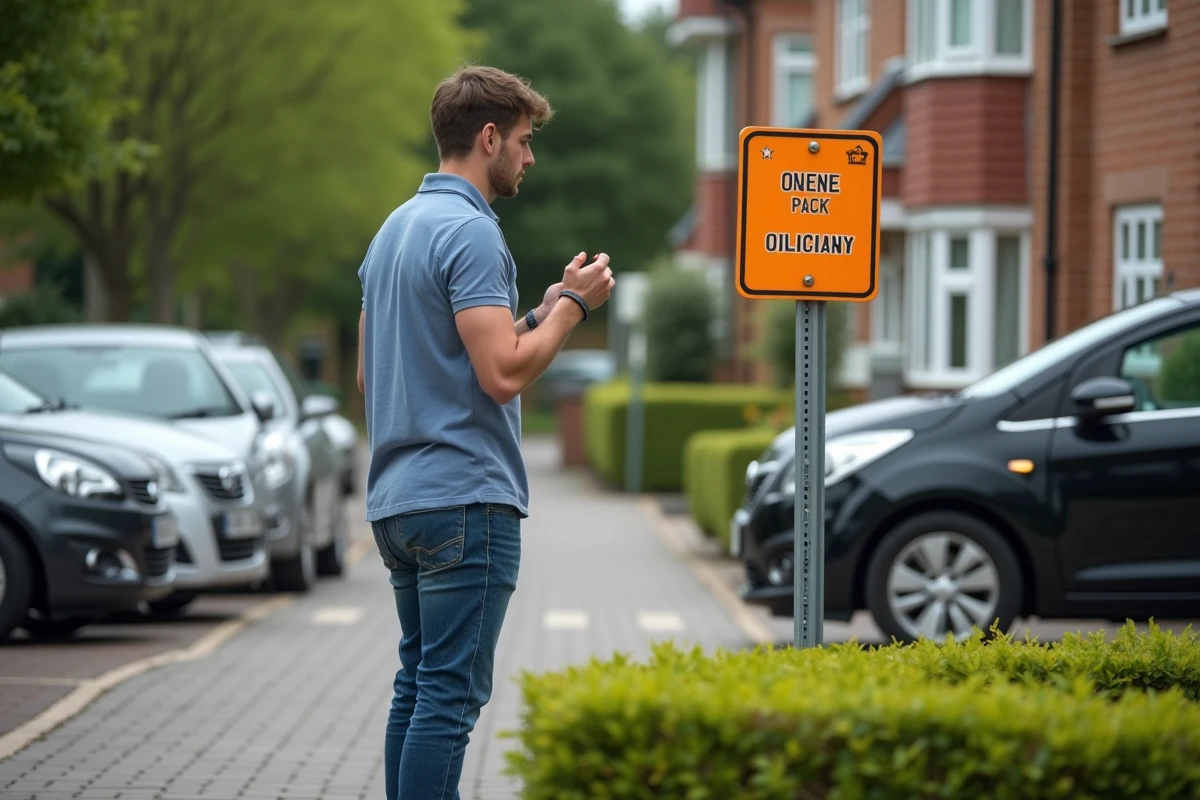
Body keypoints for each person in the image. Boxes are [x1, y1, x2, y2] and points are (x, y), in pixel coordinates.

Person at [355, 65, 614, 800]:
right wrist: (574, 310)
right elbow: (502, 375)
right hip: (466, 501)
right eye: (526, 142)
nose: (530, 159)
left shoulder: (393, 231)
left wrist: (541, 311)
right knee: (451, 696)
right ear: (489, 136)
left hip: (398, 502)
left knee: (419, 684)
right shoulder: (472, 232)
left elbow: (386, 375)